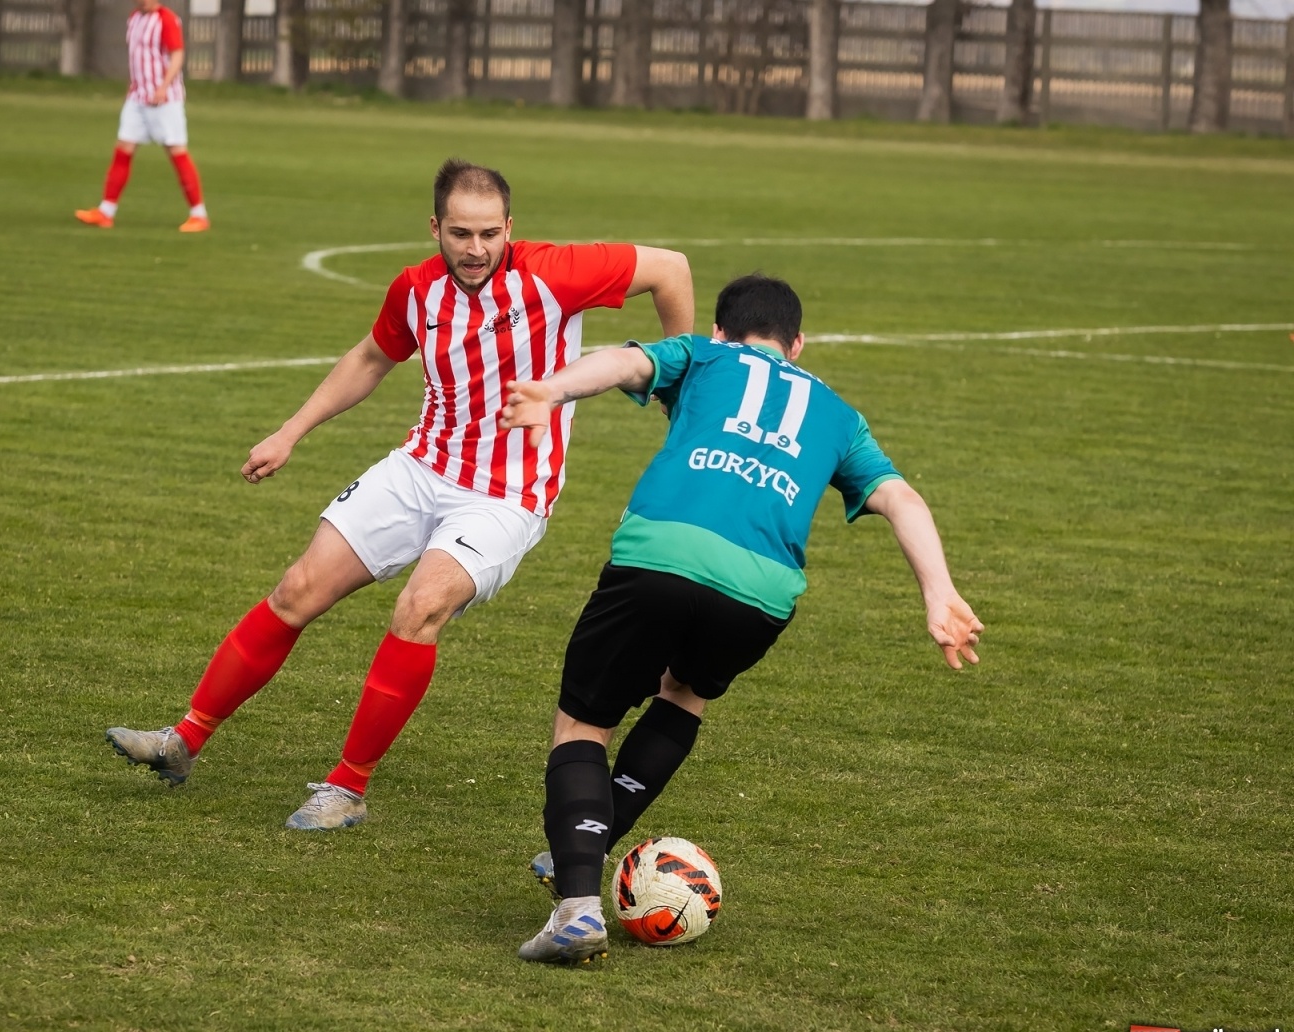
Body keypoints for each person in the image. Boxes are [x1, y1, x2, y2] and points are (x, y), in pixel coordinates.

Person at [106, 159, 694, 830]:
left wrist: (682, 387)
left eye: (488, 235)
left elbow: (670, 268)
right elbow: (369, 357)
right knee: (298, 588)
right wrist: (290, 432)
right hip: (420, 468)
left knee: (419, 606)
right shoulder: (414, 290)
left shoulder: (555, 273)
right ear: (435, 227)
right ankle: (184, 740)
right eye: (460, 234)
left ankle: (346, 790)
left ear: (510, 228)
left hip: (506, 494)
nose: (475, 250)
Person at [497, 273, 984, 964]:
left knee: (584, 721)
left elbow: (625, 361)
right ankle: (590, 841)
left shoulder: (702, 354)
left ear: (723, 332)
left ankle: (577, 906)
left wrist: (551, 391)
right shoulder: (840, 414)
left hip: (663, 554)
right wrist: (939, 591)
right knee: (684, 692)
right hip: (761, 594)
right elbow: (901, 498)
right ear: (799, 344)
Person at [75, 0, 209, 233]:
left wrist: (163, 87)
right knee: (123, 150)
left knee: (176, 152)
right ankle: (106, 212)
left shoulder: (166, 19)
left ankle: (199, 215)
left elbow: (177, 55)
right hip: (137, 98)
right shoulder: (134, 18)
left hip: (164, 100)